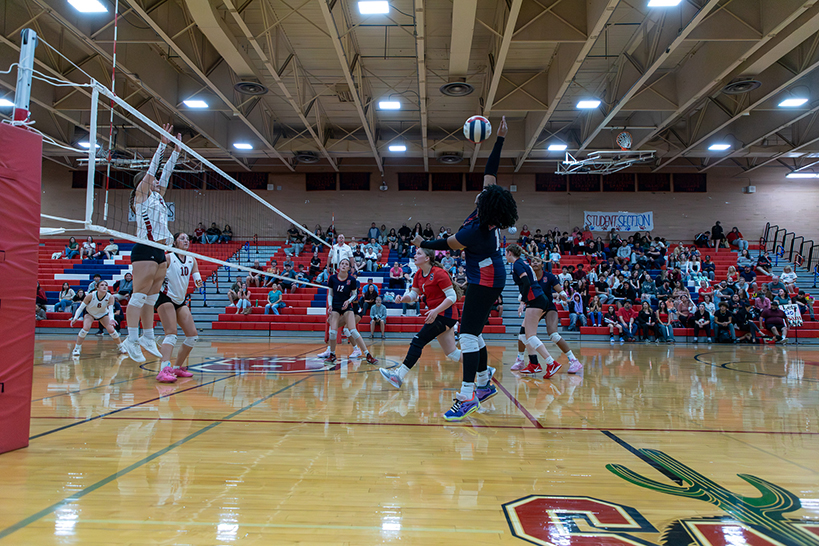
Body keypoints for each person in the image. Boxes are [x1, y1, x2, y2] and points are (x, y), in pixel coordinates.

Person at [412, 117, 518, 421]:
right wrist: (499, 139)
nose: (481, 192)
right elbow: (491, 172)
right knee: (475, 334)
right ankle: (484, 384)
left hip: (485, 280)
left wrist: (424, 242)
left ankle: (468, 394)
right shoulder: (486, 213)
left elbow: (448, 244)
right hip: (491, 275)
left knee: (468, 336)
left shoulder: (474, 232)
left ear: (485, 207)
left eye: (483, 195)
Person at [121, 123, 181, 363]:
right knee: (138, 296)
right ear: (143, 184)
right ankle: (131, 338)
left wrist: (176, 152)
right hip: (144, 249)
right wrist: (162, 146)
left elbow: (165, 173)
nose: (157, 181)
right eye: (152, 180)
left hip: (159, 251)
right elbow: (153, 171)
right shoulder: (142, 195)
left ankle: (147, 336)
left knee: (151, 299)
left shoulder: (157, 195)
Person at [380, 248, 465, 388]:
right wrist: (403, 299)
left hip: (445, 314)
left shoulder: (439, 273)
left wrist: (435, 311)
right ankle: (483, 370)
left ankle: (399, 375)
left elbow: (452, 297)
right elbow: (413, 295)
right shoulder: (419, 274)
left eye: (419, 253)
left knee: (418, 341)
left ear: (427, 258)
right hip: (439, 314)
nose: (415, 255)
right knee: (452, 353)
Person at [504, 244, 562, 375]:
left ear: (509, 253)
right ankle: (534, 363)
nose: (505, 256)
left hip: (535, 299)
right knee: (523, 335)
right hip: (538, 298)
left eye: (506, 253)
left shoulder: (518, 265)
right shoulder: (522, 262)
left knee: (530, 336)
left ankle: (551, 363)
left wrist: (523, 301)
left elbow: (526, 282)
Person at [153, 233, 203, 382]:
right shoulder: (168, 258)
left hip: (180, 300)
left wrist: (199, 283)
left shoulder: (192, 260)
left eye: (187, 239)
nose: (186, 241)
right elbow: (157, 275)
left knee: (192, 336)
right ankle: (163, 370)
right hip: (165, 297)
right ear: (174, 243)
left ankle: (177, 368)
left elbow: (197, 279)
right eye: (182, 238)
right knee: (171, 334)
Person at [323, 258, 378, 364]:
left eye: (346, 264)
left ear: (349, 267)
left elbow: (354, 296)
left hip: (347, 306)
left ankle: (367, 354)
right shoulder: (332, 278)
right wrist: (330, 305)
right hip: (335, 306)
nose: (344, 265)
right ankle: (332, 354)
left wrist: (348, 302)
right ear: (339, 266)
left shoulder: (352, 280)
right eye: (342, 263)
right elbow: (330, 294)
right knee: (333, 332)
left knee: (352, 330)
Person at [69, 280, 125, 357]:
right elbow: (81, 308)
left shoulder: (110, 297)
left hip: (103, 314)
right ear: (97, 288)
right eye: (102, 285)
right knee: (85, 328)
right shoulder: (90, 295)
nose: (104, 286)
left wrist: (111, 318)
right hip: (90, 313)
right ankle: (77, 348)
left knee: (112, 330)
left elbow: (111, 310)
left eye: (106, 285)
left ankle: (121, 347)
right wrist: (75, 317)